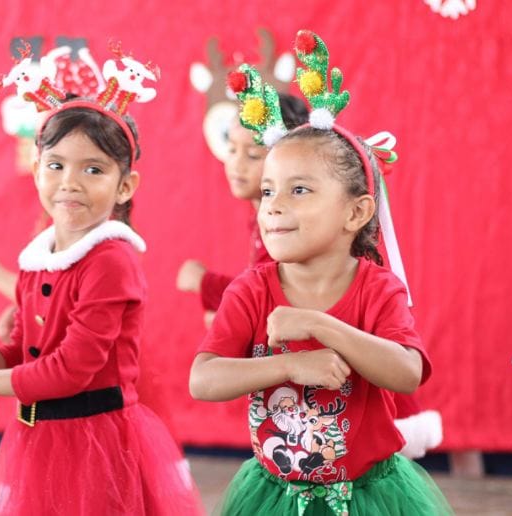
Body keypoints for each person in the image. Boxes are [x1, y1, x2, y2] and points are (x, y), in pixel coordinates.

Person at [0, 50, 203, 514]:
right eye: (56, 165)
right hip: (40, 441)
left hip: (96, 444)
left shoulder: (111, 260)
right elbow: (23, 351)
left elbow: (74, 366)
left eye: (92, 169)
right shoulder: (38, 258)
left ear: (125, 186)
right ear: (37, 171)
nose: (70, 181)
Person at [189, 32, 451, 515]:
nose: (274, 207)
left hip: (366, 496)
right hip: (275, 493)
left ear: (356, 213)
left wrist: (319, 326)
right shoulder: (252, 290)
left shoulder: (376, 289)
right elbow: (203, 380)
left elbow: (408, 373)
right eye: (268, 192)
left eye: (300, 190)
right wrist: (289, 365)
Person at [176, 92, 308, 325]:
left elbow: (267, 294)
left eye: (253, 155)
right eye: (232, 150)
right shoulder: (261, 217)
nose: (236, 164)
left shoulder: (288, 222)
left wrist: (205, 282)